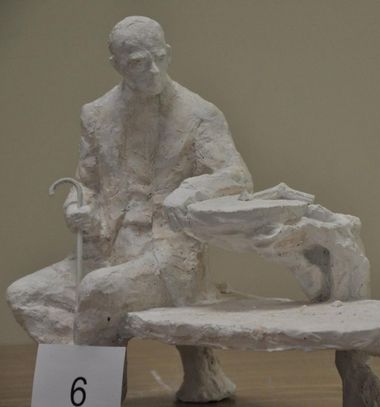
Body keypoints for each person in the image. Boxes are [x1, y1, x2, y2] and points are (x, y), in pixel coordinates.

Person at [6, 16, 252, 402]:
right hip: (107, 249)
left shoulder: (199, 114)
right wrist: (77, 209)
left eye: (160, 57)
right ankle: (84, 383)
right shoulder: (96, 114)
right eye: (138, 62)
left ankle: (98, 395)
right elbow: (86, 184)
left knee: (99, 289)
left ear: (168, 53)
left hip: (168, 255)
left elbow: (236, 176)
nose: (153, 69)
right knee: (25, 294)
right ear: (117, 65)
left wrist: (189, 189)